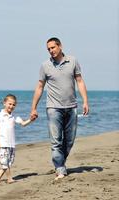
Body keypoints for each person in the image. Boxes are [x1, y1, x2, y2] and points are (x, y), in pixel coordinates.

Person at [30, 37, 89, 180]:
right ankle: (60, 169)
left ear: (60, 46)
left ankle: (60, 163)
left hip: (71, 106)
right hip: (53, 108)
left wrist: (85, 101)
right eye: (48, 49)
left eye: (53, 47)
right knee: (56, 141)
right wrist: (34, 108)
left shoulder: (73, 61)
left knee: (69, 141)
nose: (51, 51)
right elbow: (39, 87)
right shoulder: (45, 66)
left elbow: (80, 81)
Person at [0, 94, 32, 183]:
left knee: (9, 162)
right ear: (4, 103)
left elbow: (23, 123)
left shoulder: (14, 117)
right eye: (9, 104)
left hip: (11, 144)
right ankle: (9, 178)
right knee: (5, 161)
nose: (11, 106)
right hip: (3, 143)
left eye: (13, 105)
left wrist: (31, 119)